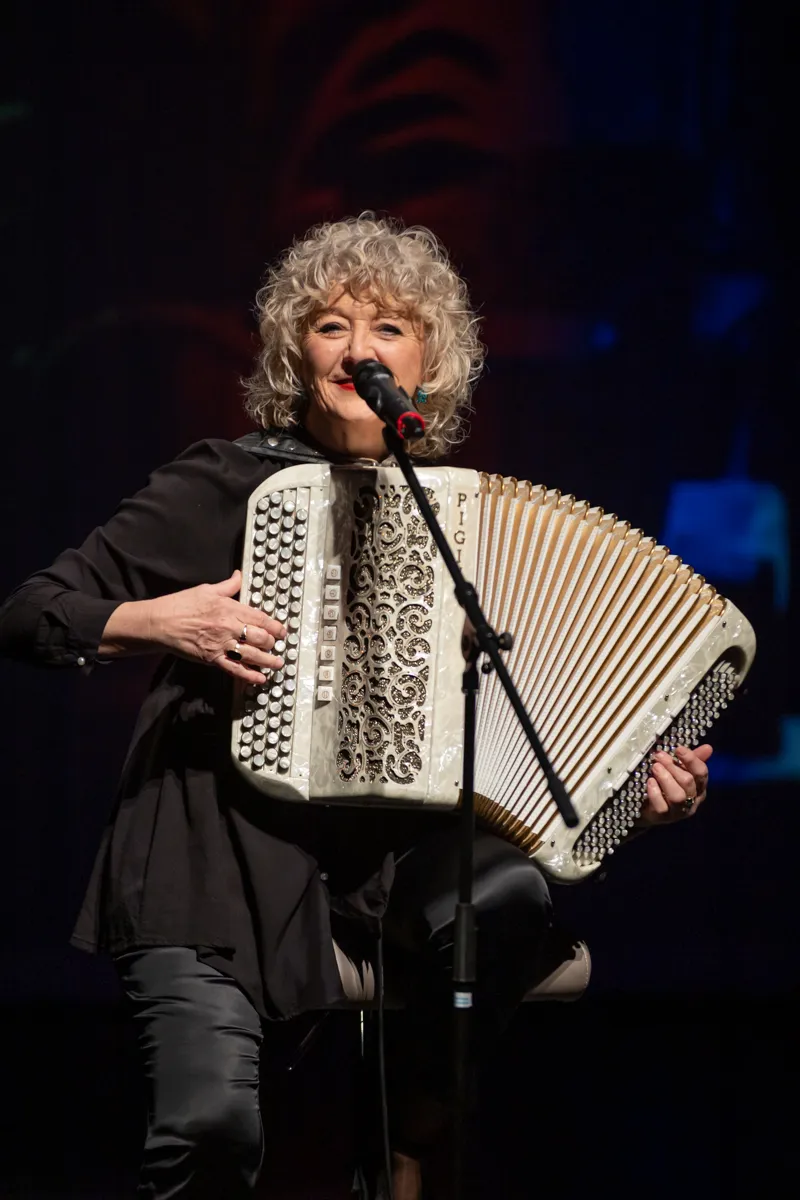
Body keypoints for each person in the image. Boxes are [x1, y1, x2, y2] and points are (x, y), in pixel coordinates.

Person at [0, 215, 713, 1200]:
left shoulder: (461, 518)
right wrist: (164, 621)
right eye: (330, 326)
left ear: (429, 363)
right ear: (296, 355)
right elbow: (30, 613)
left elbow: (527, 728)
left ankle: (405, 1145)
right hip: (219, 848)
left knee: (505, 894)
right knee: (211, 1128)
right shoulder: (225, 482)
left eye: (388, 328)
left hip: (385, 863)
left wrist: (635, 792)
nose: (357, 350)